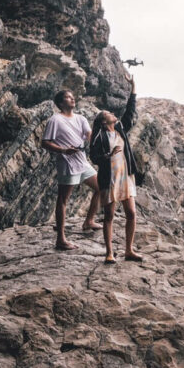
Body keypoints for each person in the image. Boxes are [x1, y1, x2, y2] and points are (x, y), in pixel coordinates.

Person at [89, 74, 142, 264]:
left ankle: (129, 249)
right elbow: (93, 157)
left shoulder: (120, 129)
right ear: (104, 122)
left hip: (126, 177)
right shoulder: (99, 137)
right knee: (109, 215)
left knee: (131, 213)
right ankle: (109, 252)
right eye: (108, 114)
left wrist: (133, 86)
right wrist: (108, 156)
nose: (113, 114)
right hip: (109, 179)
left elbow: (130, 111)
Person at [42, 88, 100, 251]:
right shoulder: (55, 120)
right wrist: (63, 150)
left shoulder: (80, 118)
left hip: (82, 162)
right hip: (67, 162)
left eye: (72, 96)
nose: (72, 99)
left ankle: (89, 221)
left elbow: (89, 135)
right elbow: (45, 142)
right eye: (68, 97)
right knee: (63, 200)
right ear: (61, 103)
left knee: (101, 188)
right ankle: (60, 239)